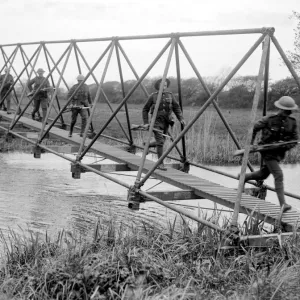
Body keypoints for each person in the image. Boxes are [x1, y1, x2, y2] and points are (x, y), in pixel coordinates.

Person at [243, 96, 299, 212]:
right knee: (279, 175)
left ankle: (243, 177)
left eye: (290, 111)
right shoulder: (269, 119)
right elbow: (254, 128)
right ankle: (283, 204)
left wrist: (283, 145)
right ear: (281, 109)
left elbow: (294, 140)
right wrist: (252, 144)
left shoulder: (292, 123)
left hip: (279, 154)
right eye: (286, 111)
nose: (288, 113)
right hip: (267, 152)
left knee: (263, 174)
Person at [142, 78, 185, 170]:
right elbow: (145, 109)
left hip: (167, 121)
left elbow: (176, 107)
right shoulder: (153, 96)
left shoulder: (170, 95)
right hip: (156, 122)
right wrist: (146, 123)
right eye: (162, 85)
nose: (164, 87)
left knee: (162, 141)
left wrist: (180, 118)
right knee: (160, 142)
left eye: (165, 85)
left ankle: (147, 145)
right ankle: (160, 164)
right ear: (158, 86)